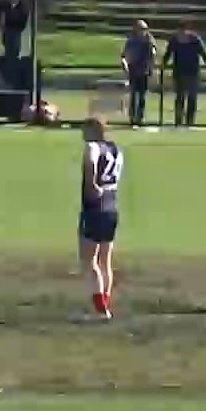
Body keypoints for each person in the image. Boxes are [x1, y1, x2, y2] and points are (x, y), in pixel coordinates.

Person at [78, 117, 124, 321]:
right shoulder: (117, 150)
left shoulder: (92, 147)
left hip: (94, 207)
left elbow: (90, 161)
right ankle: (104, 300)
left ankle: (100, 310)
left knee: (88, 260)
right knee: (105, 260)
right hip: (112, 206)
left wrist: (92, 183)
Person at [162, 20, 206, 128]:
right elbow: (168, 54)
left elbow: (203, 52)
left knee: (192, 97)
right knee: (180, 97)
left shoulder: (195, 39)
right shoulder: (174, 40)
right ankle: (178, 121)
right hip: (179, 71)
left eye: (184, 30)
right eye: (180, 30)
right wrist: (163, 64)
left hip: (193, 71)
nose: (182, 32)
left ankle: (190, 121)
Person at [120, 20, 156, 126]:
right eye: (141, 29)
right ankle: (132, 118)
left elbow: (153, 53)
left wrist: (151, 68)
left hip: (144, 70)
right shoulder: (132, 40)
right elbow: (125, 54)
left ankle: (140, 118)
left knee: (142, 96)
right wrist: (124, 63)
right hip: (134, 70)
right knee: (134, 96)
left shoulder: (149, 39)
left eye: (144, 29)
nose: (143, 31)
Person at [0, 0, 30, 79]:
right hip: (8, 33)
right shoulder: (4, 7)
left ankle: (13, 72)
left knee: (14, 50)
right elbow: (1, 21)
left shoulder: (22, 8)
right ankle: (8, 71)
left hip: (15, 32)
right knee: (9, 50)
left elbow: (22, 23)